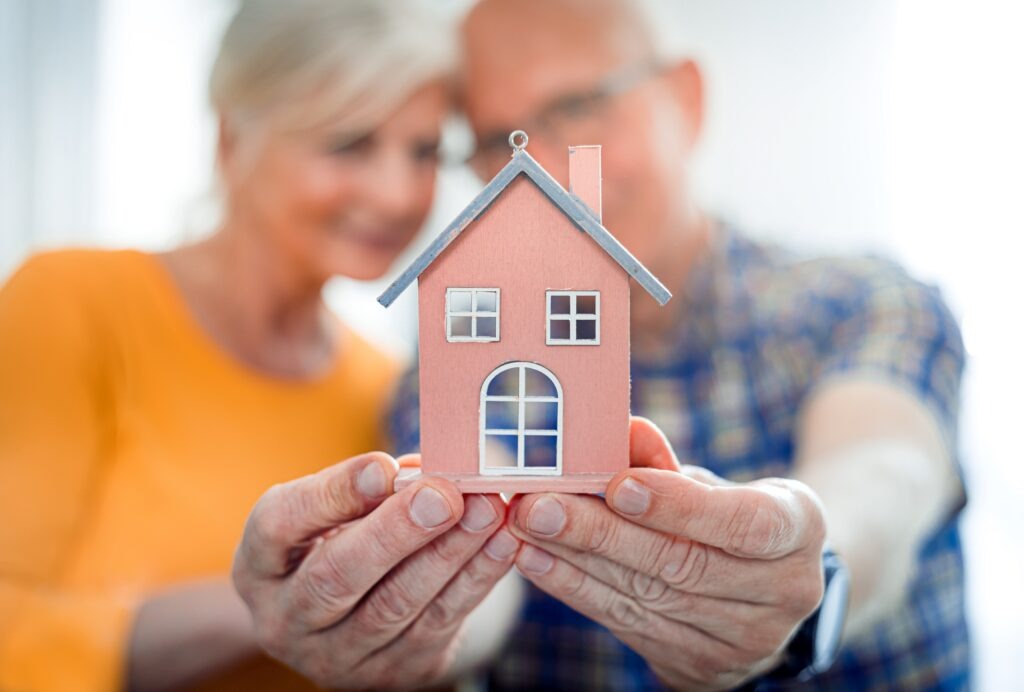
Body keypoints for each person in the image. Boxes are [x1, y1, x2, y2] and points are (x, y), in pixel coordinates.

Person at [383, 0, 966, 688]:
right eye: (496, 139)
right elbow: (472, 571)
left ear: (685, 98)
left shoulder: (858, 301)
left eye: (576, 106)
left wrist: (808, 575)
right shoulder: (450, 357)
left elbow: (884, 474)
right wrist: (413, 632)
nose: (540, 170)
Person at [0, 1, 477, 689]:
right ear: (232, 139)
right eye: (349, 143)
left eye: (424, 151)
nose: (400, 192)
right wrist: (273, 606)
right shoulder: (71, 302)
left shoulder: (385, 388)